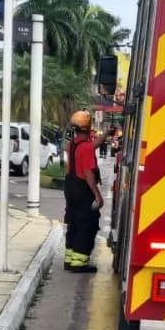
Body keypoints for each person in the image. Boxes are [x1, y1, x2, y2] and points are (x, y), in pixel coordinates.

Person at [63, 110, 102, 273]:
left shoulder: (72, 145)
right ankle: (79, 264)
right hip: (82, 190)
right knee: (86, 225)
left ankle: (69, 260)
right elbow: (88, 173)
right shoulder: (85, 148)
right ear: (88, 128)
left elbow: (89, 147)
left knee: (73, 223)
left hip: (70, 188)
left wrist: (105, 135)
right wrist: (98, 195)